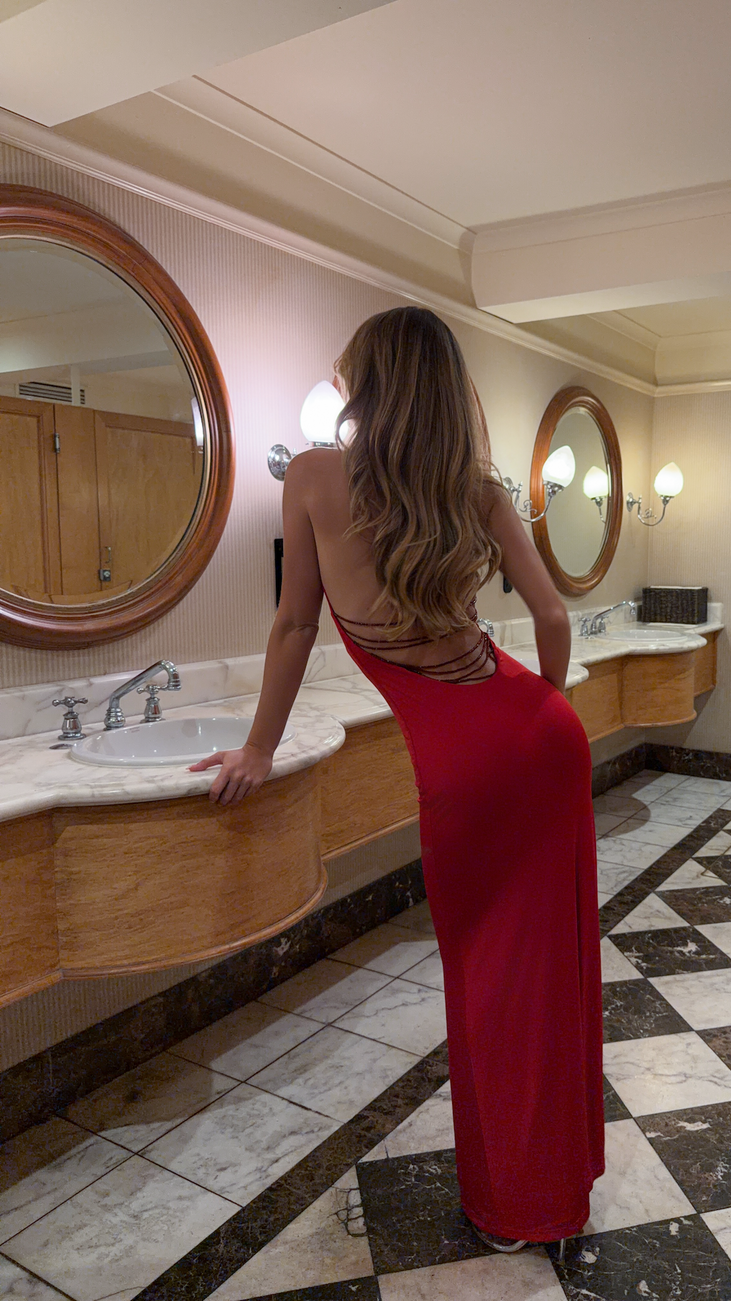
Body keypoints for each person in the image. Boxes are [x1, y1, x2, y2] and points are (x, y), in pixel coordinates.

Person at [191, 306, 604, 1251]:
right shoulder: (477, 489)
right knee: (545, 974)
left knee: (485, 979)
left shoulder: (313, 476)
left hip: (462, 763)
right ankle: (549, 1189)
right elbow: (551, 616)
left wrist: (256, 749)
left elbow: (295, 625)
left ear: (366, 383)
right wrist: (540, 714)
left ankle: (511, 1202)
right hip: (537, 738)